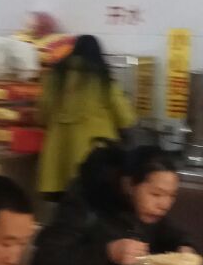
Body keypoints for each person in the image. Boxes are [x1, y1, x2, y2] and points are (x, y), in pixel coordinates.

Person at [31, 142, 193, 265]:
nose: (165, 205)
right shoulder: (86, 202)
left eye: (171, 195)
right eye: (156, 194)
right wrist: (108, 253)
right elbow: (47, 260)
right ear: (129, 184)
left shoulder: (147, 209)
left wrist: (184, 247)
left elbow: (173, 235)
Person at [37, 34, 136, 197]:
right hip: (93, 153)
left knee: (65, 201)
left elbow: (43, 111)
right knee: (92, 198)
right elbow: (123, 114)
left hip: (58, 154)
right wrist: (127, 130)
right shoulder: (101, 77)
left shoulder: (55, 75)